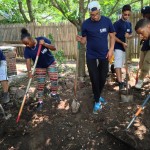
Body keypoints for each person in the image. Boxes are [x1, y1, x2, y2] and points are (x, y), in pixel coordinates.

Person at [76, 1, 115, 114]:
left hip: (104, 54)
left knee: (102, 77)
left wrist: (111, 49)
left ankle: (97, 94)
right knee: (94, 77)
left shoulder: (107, 21)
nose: (95, 17)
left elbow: (112, 36)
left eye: (97, 14)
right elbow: (84, 40)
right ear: (89, 13)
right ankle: (97, 101)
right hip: (91, 54)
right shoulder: (86, 24)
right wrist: (80, 39)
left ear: (100, 11)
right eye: (92, 15)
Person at [20, 28, 60, 111]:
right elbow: (28, 61)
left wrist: (44, 44)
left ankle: (54, 93)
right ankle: (40, 101)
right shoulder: (27, 50)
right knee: (40, 84)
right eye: (25, 44)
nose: (27, 45)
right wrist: (29, 72)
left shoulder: (42, 39)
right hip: (39, 66)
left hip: (50, 63)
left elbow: (54, 48)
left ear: (31, 39)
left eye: (27, 43)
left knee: (54, 79)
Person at [113, 5, 132, 90]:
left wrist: (129, 36)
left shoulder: (129, 23)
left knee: (121, 64)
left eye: (128, 14)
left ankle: (120, 80)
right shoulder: (117, 24)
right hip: (118, 47)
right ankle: (120, 82)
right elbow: (113, 36)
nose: (127, 16)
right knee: (118, 65)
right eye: (125, 14)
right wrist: (122, 42)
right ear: (122, 13)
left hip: (125, 47)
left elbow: (130, 35)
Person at [135, 6, 150, 89]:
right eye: (143, 15)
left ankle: (140, 80)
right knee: (141, 63)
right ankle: (141, 78)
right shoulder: (144, 23)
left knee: (147, 62)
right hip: (146, 45)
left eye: (146, 14)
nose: (144, 16)